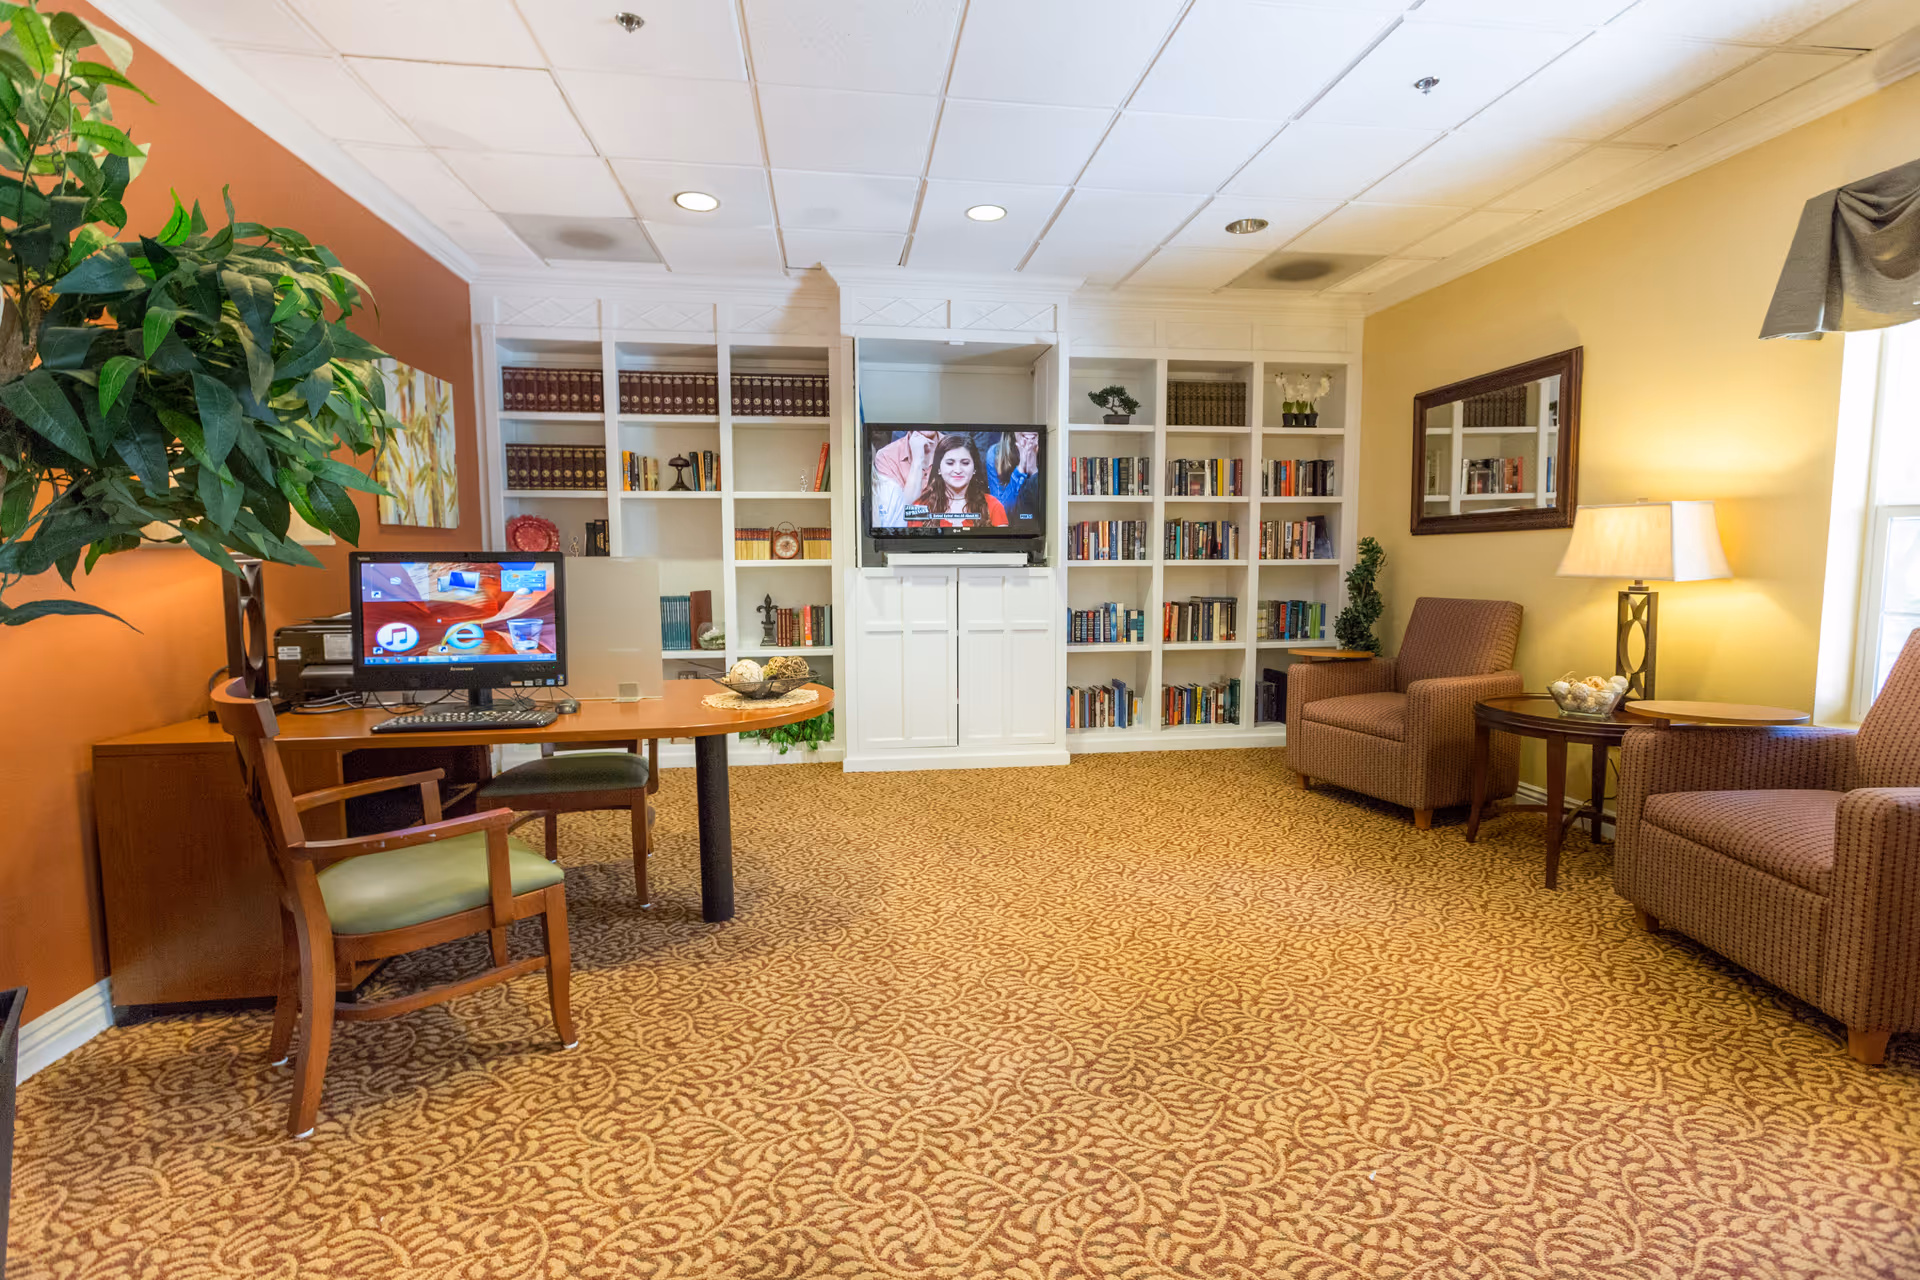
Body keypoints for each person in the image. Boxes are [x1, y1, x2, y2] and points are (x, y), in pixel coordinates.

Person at [911, 434, 1006, 528]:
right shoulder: (920, 507)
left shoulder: (993, 506)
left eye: (965, 463)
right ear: (938, 468)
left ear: (974, 468)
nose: (957, 470)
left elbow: (1002, 543)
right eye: (950, 463)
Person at [987, 430, 1043, 526]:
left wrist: (1033, 472)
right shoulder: (994, 453)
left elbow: (1052, 510)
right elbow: (1000, 513)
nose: (1028, 431)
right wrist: (1021, 468)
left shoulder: (1052, 448)